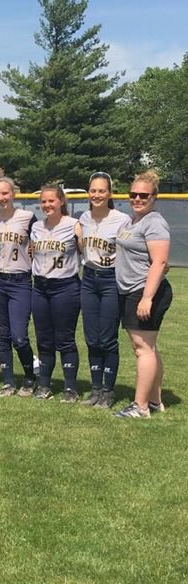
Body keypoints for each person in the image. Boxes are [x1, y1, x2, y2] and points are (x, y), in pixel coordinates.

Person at [114, 170, 171, 418]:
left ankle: (141, 406)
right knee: (147, 347)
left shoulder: (154, 222)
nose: (137, 199)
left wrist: (147, 298)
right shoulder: (132, 221)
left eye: (143, 195)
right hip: (130, 290)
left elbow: (159, 262)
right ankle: (155, 401)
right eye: (133, 194)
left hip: (144, 291)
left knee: (143, 349)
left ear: (154, 197)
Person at [77, 172, 130, 408]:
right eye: (93, 190)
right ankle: (96, 389)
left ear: (110, 193)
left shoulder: (121, 219)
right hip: (89, 278)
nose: (97, 195)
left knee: (107, 338)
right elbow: (82, 248)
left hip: (111, 279)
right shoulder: (84, 218)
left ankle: (108, 392)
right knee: (91, 338)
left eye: (101, 191)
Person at [29, 185, 82, 402]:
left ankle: (70, 388)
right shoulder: (36, 227)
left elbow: (86, 251)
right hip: (40, 287)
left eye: (51, 200)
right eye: (43, 201)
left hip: (65, 285)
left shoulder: (74, 225)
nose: (47, 205)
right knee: (43, 338)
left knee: (65, 338)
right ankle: (44, 385)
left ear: (61, 201)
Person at [0, 177, 37, 397]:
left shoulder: (27, 217)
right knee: (2, 334)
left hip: (20, 281)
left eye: (5, 193)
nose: (1, 198)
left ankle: (30, 376)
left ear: (13, 194)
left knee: (19, 336)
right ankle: (8, 381)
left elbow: (39, 241)